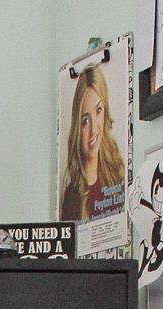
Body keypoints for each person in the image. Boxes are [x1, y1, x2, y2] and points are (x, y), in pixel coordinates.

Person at [60, 64, 127, 224]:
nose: (93, 129)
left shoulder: (116, 170)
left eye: (98, 111)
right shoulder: (73, 197)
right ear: (77, 126)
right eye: (85, 121)